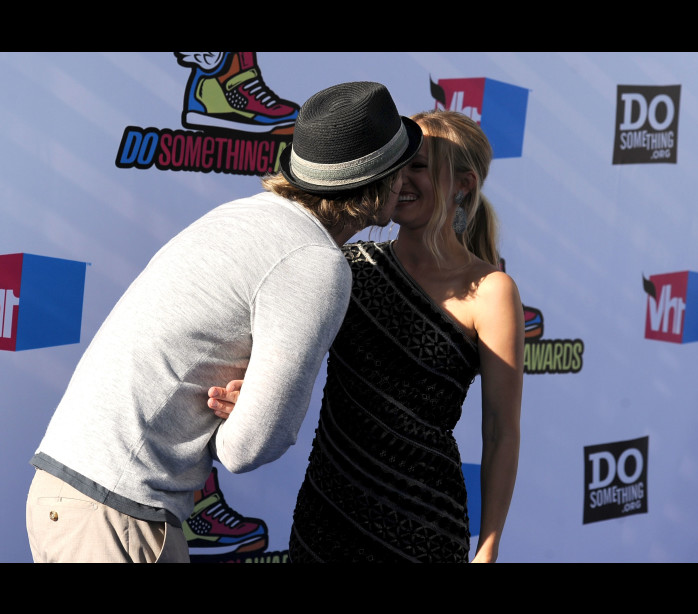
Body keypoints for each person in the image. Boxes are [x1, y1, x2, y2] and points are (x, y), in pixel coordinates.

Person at [25, 81, 423, 563]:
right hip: (117, 509)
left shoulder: (247, 215)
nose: (408, 181)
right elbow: (248, 448)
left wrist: (251, 402)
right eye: (404, 167)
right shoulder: (313, 261)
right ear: (377, 181)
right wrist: (247, 410)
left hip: (71, 492)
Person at [207, 109, 524, 563]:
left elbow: (500, 432)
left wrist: (488, 548)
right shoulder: (350, 265)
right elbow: (289, 357)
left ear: (463, 184)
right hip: (327, 511)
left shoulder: (491, 291)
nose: (402, 179)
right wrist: (252, 394)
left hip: (423, 527)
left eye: (419, 166)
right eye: (398, 165)